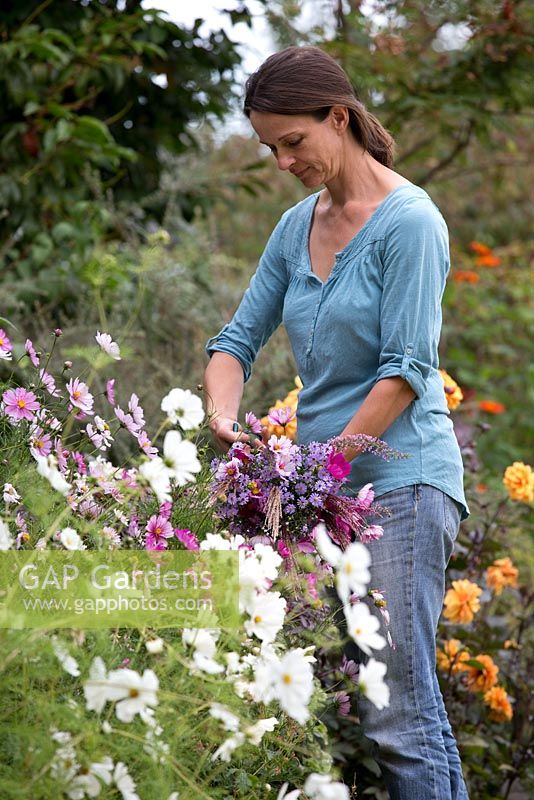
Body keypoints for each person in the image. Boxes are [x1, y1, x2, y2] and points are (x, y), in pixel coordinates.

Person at [203, 45, 469, 800]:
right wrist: (225, 416)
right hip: (320, 489)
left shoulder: (409, 223)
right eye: (269, 147)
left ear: (339, 118)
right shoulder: (296, 228)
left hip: (399, 485)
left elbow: (407, 374)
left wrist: (320, 469)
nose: (283, 160)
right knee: (368, 707)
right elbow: (233, 342)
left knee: (397, 713)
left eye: (293, 141)